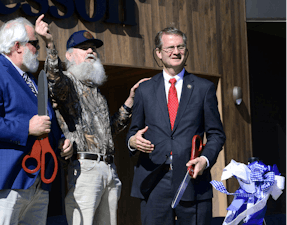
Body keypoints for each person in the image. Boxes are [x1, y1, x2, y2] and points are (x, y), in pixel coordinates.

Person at [35, 14, 149, 225]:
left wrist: (130, 100)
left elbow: (110, 130)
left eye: (93, 48)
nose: (90, 51)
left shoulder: (96, 92)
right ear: (69, 56)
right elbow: (53, 79)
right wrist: (49, 43)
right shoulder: (67, 84)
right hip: (84, 169)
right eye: (83, 47)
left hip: (109, 169)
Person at [0, 17, 73, 225]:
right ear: (17, 46)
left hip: (37, 182)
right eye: (35, 44)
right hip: (4, 181)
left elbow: (44, 123)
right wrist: (27, 127)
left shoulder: (31, 80)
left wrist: (59, 141)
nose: (37, 50)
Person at [126, 27, 226, 225]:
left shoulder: (203, 88)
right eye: (170, 47)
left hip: (192, 180)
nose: (176, 51)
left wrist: (205, 160)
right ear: (158, 53)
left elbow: (216, 134)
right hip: (153, 181)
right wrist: (132, 141)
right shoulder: (144, 90)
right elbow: (132, 131)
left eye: (180, 46)